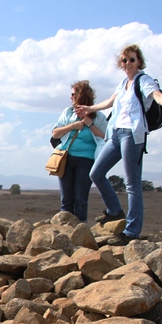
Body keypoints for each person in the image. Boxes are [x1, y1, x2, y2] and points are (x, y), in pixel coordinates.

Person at [75, 44, 162, 246]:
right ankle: (114, 211)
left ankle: (131, 231)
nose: (128, 63)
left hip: (132, 135)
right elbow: (110, 102)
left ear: (139, 62)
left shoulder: (143, 81)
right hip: (115, 133)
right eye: (125, 60)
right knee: (96, 173)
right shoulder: (122, 84)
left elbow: (157, 96)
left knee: (132, 184)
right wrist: (89, 108)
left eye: (132, 60)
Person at [51, 80, 107, 222]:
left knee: (80, 199)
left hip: (87, 160)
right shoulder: (68, 113)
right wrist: (73, 126)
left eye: (73, 94)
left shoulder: (98, 116)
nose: (71, 97)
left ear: (81, 96)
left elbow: (107, 137)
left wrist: (90, 125)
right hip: (67, 158)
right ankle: (65, 231)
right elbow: (55, 133)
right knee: (66, 199)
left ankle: (81, 232)